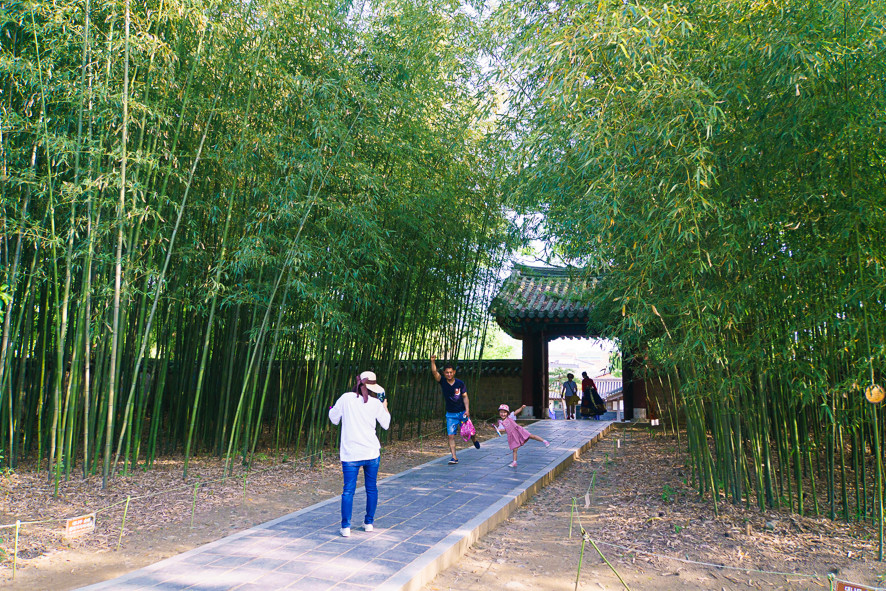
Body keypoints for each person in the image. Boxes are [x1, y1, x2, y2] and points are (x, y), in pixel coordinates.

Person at [328, 370, 391, 537]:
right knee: (371, 488)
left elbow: (334, 418)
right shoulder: (376, 403)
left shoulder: (346, 398)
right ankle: (369, 523)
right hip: (371, 453)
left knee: (348, 490)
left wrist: (332, 408)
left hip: (351, 454)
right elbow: (386, 424)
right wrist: (385, 406)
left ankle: (346, 527)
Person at [431, 355, 479, 465]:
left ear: (454, 372)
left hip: (462, 413)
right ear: (444, 373)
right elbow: (434, 373)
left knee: (470, 432)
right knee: (450, 436)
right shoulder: (443, 381)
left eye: (450, 372)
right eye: (447, 372)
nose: (449, 374)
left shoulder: (460, 383)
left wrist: (467, 410)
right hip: (450, 415)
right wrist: (432, 361)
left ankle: (474, 440)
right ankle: (454, 457)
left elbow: (465, 397)